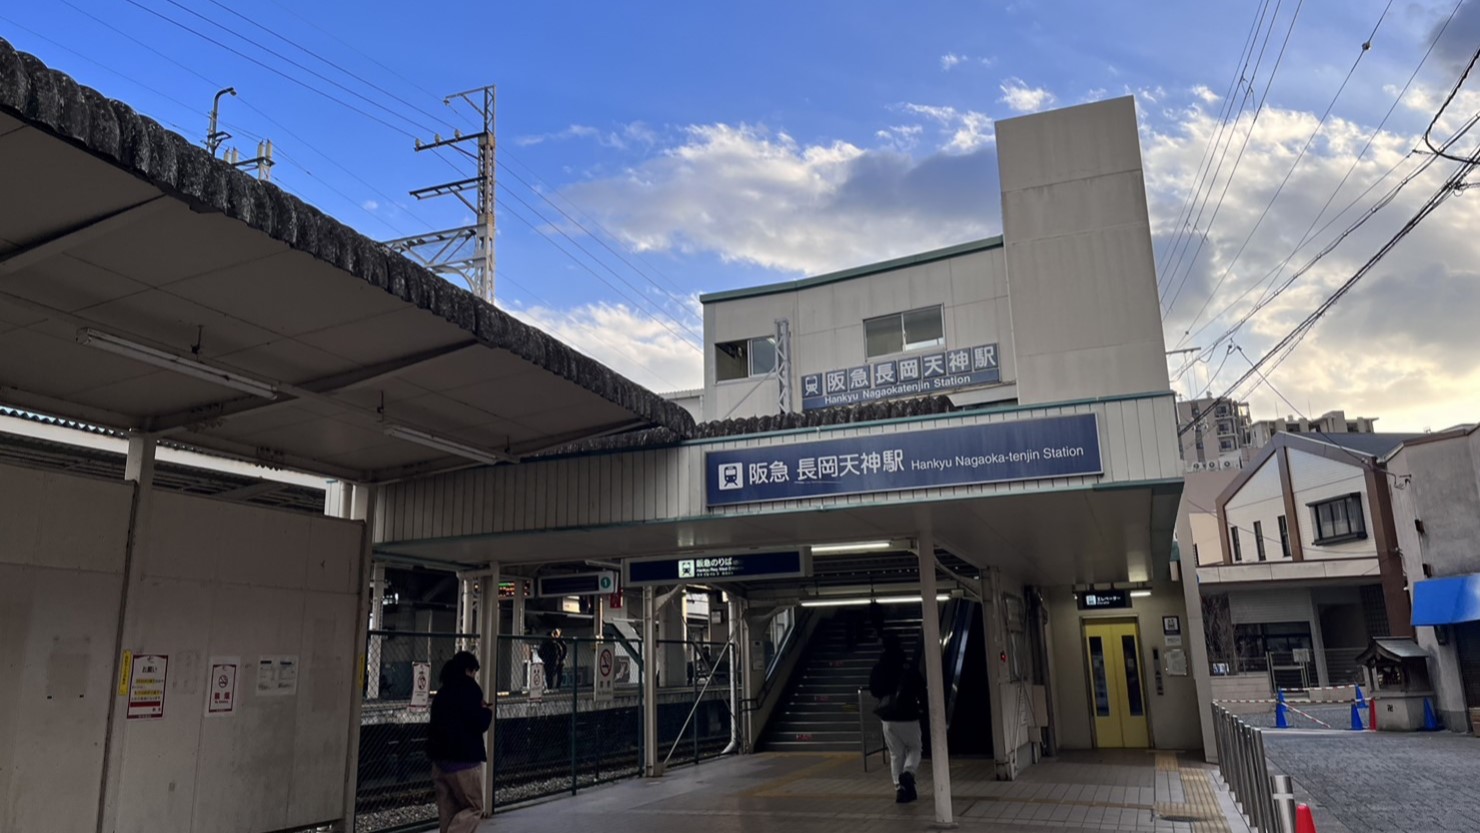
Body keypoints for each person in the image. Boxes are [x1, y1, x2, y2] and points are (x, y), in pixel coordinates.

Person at [427, 651, 491, 833]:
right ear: (468, 670)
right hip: (464, 762)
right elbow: (479, 722)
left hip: (439, 761)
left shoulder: (442, 692)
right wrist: (487, 711)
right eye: (474, 672)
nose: (474, 676)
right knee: (474, 807)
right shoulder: (470, 689)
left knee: (448, 811)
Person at [869, 634, 923, 803]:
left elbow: (874, 690)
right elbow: (921, 687)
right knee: (915, 748)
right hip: (909, 715)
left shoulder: (879, 667)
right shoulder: (908, 666)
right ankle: (908, 773)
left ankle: (899, 790)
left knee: (895, 754)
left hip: (888, 717)